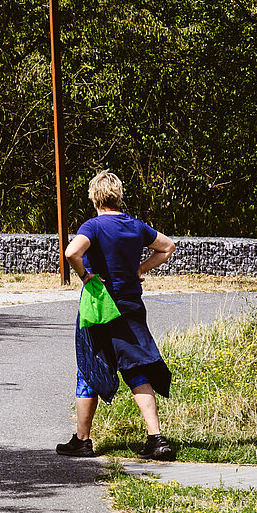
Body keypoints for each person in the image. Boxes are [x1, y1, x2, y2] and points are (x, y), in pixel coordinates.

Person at [55, 170, 178, 461]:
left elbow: (72, 252)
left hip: (100, 307)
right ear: (118, 195)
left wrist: (85, 276)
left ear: (94, 198)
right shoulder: (135, 226)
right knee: (136, 367)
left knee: (90, 366)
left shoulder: (94, 226)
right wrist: (140, 269)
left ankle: (83, 441)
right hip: (131, 305)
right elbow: (168, 247)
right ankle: (156, 439)